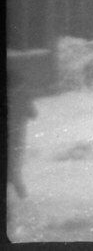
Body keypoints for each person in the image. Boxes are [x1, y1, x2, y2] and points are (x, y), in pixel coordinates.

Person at [7, 70, 37, 199]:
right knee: (14, 167)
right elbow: (33, 114)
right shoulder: (24, 95)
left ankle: (20, 195)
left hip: (14, 137)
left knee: (12, 169)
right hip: (17, 136)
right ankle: (21, 195)